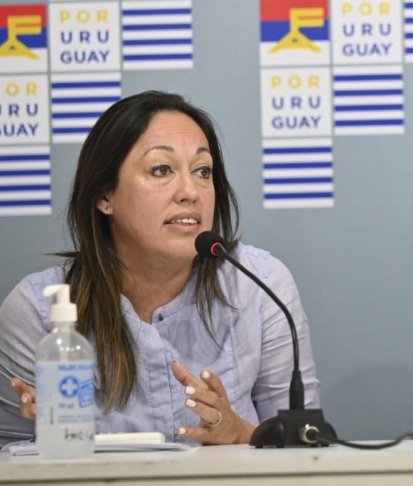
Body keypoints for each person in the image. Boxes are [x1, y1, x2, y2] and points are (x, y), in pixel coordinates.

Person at [0, 91, 320, 446]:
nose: (190, 192)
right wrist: (52, 440)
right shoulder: (36, 310)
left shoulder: (260, 286)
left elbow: (303, 447)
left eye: (203, 171)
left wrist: (240, 434)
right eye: (162, 170)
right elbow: (12, 477)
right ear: (105, 195)